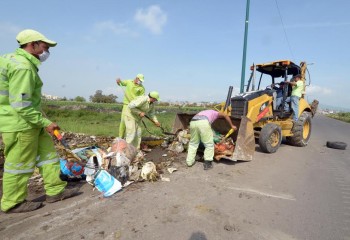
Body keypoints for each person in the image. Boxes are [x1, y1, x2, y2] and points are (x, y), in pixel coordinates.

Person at [0, 29, 78, 213]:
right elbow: (21, 105)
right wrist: (46, 123)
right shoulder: (23, 68)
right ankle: (13, 202)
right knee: (19, 164)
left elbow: (28, 101)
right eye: (45, 47)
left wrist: (44, 121)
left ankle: (55, 190)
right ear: (32, 44)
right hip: (20, 123)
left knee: (47, 156)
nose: (47, 52)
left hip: (32, 121)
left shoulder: (12, 59)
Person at [116, 74, 145, 139]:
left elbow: (141, 99)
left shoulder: (142, 88)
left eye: (141, 81)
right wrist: (118, 82)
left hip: (134, 107)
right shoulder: (129, 82)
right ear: (136, 78)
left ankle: (129, 139)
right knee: (123, 122)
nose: (140, 82)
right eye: (140, 80)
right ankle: (120, 138)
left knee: (131, 124)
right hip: (126, 105)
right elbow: (121, 83)